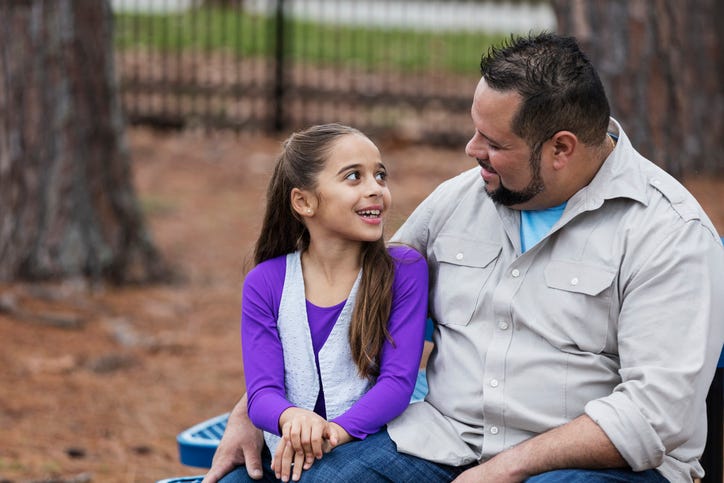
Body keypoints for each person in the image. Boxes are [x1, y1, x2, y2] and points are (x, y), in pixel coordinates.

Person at [204, 33, 724, 483]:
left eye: (493, 142)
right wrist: (253, 409)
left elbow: (654, 416)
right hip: (443, 443)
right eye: (476, 129)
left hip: (591, 466)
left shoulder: (669, 233)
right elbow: (359, 295)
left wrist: (507, 469)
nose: (472, 149)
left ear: (560, 149)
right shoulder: (461, 200)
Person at [217, 123, 428, 483]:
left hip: (374, 442)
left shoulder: (403, 270)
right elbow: (263, 392)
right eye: (353, 177)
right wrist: (291, 418)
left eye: (380, 175)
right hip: (288, 447)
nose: (375, 188)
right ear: (304, 202)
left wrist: (332, 433)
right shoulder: (266, 282)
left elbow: (396, 383)